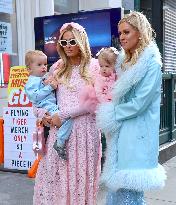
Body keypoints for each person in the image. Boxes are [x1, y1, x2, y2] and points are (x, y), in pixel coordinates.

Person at [96, 11, 167, 205]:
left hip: (138, 133)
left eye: (127, 32)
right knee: (117, 191)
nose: (122, 37)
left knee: (131, 193)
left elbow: (140, 103)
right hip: (122, 132)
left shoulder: (152, 64)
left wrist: (112, 113)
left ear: (140, 33)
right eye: (120, 33)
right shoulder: (123, 62)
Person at [33, 22, 101, 205]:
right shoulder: (57, 67)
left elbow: (95, 103)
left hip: (86, 133)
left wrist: (63, 115)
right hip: (59, 134)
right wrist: (43, 115)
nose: (68, 46)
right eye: (64, 43)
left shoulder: (95, 66)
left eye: (72, 41)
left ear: (81, 41)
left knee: (80, 180)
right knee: (55, 181)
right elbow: (40, 98)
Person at [24, 50, 73, 160]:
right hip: (47, 107)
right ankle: (60, 142)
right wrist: (50, 87)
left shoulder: (41, 78)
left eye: (45, 64)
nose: (43, 67)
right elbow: (34, 97)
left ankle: (60, 141)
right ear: (29, 69)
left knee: (67, 118)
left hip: (51, 106)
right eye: (39, 65)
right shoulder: (32, 81)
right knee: (67, 118)